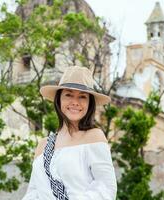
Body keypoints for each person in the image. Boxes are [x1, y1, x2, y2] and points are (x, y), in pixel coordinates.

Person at [22, 65, 117, 200]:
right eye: (68, 95)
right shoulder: (43, 145)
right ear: (58, 99)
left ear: (89, 103)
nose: (75, 102)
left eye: (82, 97)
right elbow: (34, 192)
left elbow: (106, 188)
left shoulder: (94, 136)